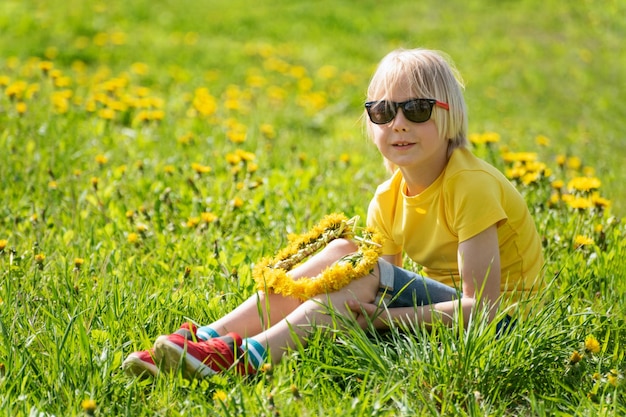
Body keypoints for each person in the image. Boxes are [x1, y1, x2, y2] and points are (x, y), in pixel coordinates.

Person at [122, 48, 544, 379]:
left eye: (416, 109)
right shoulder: (387, 197)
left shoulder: (470, 185)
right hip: (444, 319)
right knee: (347, 252)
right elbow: (382, 282)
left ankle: (249, 356)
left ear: (450, 115)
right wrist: (378, 312)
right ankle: (205, 339)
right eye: (382, 111)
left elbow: (486, 307)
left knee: (362, 269)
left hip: (506, 327)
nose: (398, 124)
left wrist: (389, 320)